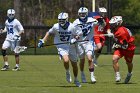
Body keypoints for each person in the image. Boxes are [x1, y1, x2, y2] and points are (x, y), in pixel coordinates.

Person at [38, 12, 82, 87]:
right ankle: (67, 72)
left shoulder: (72, 26)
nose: (61, 21)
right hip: (61, 46)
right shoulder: (56, 26)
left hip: (71, 46)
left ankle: (76, 79)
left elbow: (79, 33)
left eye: (63, 20)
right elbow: (49, 32)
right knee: (66, 60)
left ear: (67, 19)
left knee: (74, 65)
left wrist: (75, 39)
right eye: (60, 20)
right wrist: (43, 40)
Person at [73, 7, 97, 83]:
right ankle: (82, 73)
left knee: (90, 58)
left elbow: (100, 24)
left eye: (83, 14)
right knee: (82, 60)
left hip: (89, 42)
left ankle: (92, 75)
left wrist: (101, 21)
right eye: (81, 14)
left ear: (86, 14)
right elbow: (72, 32)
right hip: (80, 43)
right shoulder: (76, 22)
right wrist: (74, 37)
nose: (82, 15)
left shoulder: (91, 20)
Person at [109, 16, 136, 83]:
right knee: (114, 59)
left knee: (128, 62)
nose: (112, 25)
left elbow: (125, 46)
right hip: (121, 47)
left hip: (129, 48)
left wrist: (115, 43)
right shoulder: (116, 29)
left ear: (118, 23)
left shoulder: (122, 32)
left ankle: (129, 74)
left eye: (113, 24)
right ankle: (117, 75)